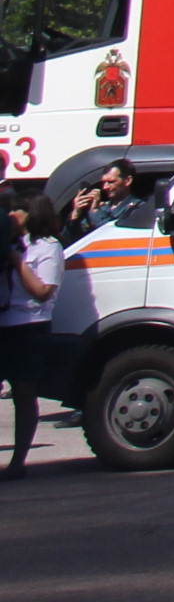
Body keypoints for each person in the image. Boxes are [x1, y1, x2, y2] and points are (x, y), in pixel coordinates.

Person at [0, 189, 59, 475]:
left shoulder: (47, 247)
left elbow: (43, 291)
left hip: (30, 325)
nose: (10, 215)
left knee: (24, 393)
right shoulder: (8, 241)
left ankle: (18, 461)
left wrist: (17, 262)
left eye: (16, 210)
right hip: (4, 322)